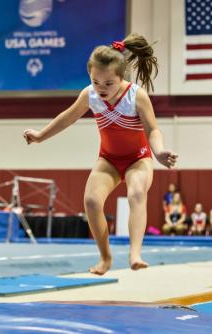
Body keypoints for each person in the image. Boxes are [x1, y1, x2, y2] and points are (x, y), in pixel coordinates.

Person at [23, 33, 178, 275]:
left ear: (121, 77)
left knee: (136, 192)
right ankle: (105, 258)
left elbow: (153, 130)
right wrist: (41, 135)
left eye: (108, 84)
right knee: (92, 201)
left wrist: (158, 152)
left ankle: (135, 253)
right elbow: (67, 118)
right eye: (96, 82)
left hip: (139, 158)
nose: (101, 89)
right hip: (109, 159)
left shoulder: (136, 96)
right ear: (90, 76)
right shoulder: (89, 95)